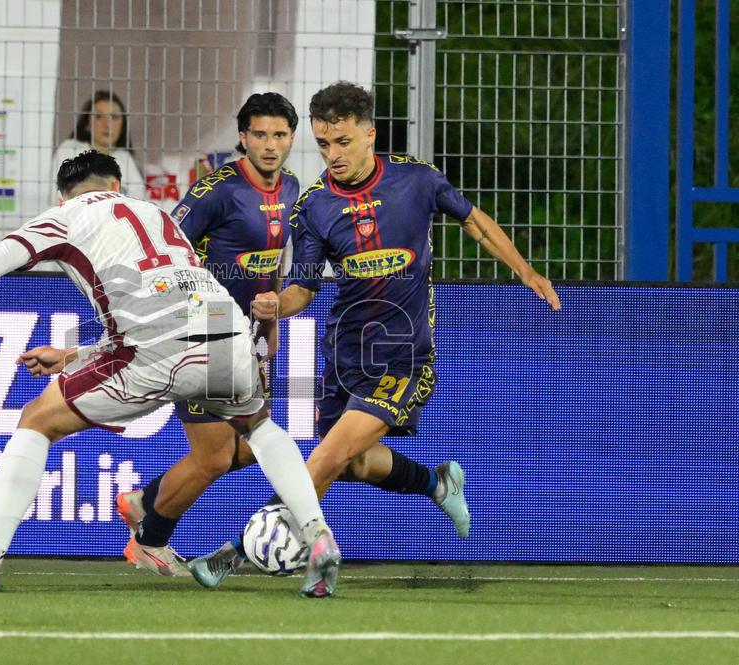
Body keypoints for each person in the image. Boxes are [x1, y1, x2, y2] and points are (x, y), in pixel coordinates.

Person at [0, 150, 341, 598]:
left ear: (64, 197)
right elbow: (170, 304)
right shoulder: (155, 215)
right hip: (226, 327)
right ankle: (317, 534)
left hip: (158, 348)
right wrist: (76, 356)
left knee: (37, 419)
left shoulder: (67, 216)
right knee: (257, 426)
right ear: (116, 185)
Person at [185, 81, 562, 587]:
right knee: (356, 462)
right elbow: (303, 288)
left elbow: (475, 223)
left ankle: (241, 555)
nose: (332, 154)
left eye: (341, 142)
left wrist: (526, 271)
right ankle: (436, 481)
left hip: (404, 357)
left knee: (322, 459)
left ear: (370, 135)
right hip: (344, 357)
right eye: (322, 144)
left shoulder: (417, 181)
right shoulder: (314, 206)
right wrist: (278, 305)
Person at [110, 92, 300, 573]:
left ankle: (143, 502)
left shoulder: (293, 187)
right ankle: (149, 541)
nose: (270, 144)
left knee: (246, 448)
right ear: (243, 137)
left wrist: (271, 323)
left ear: (292, 139)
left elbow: (274, 260)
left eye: (279, 135)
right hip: (209, 328)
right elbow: (165, 247)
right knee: (217, 456)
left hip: (250, 335)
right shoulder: (216, 190)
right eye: (260, 134)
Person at [51, 90, 146, 200]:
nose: (107, 124)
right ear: (87, 123)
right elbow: (57, 197)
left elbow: (139, 201)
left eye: (114, 117)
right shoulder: (70, 150)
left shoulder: (125, 158)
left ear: (123, 125)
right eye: (99, 116)